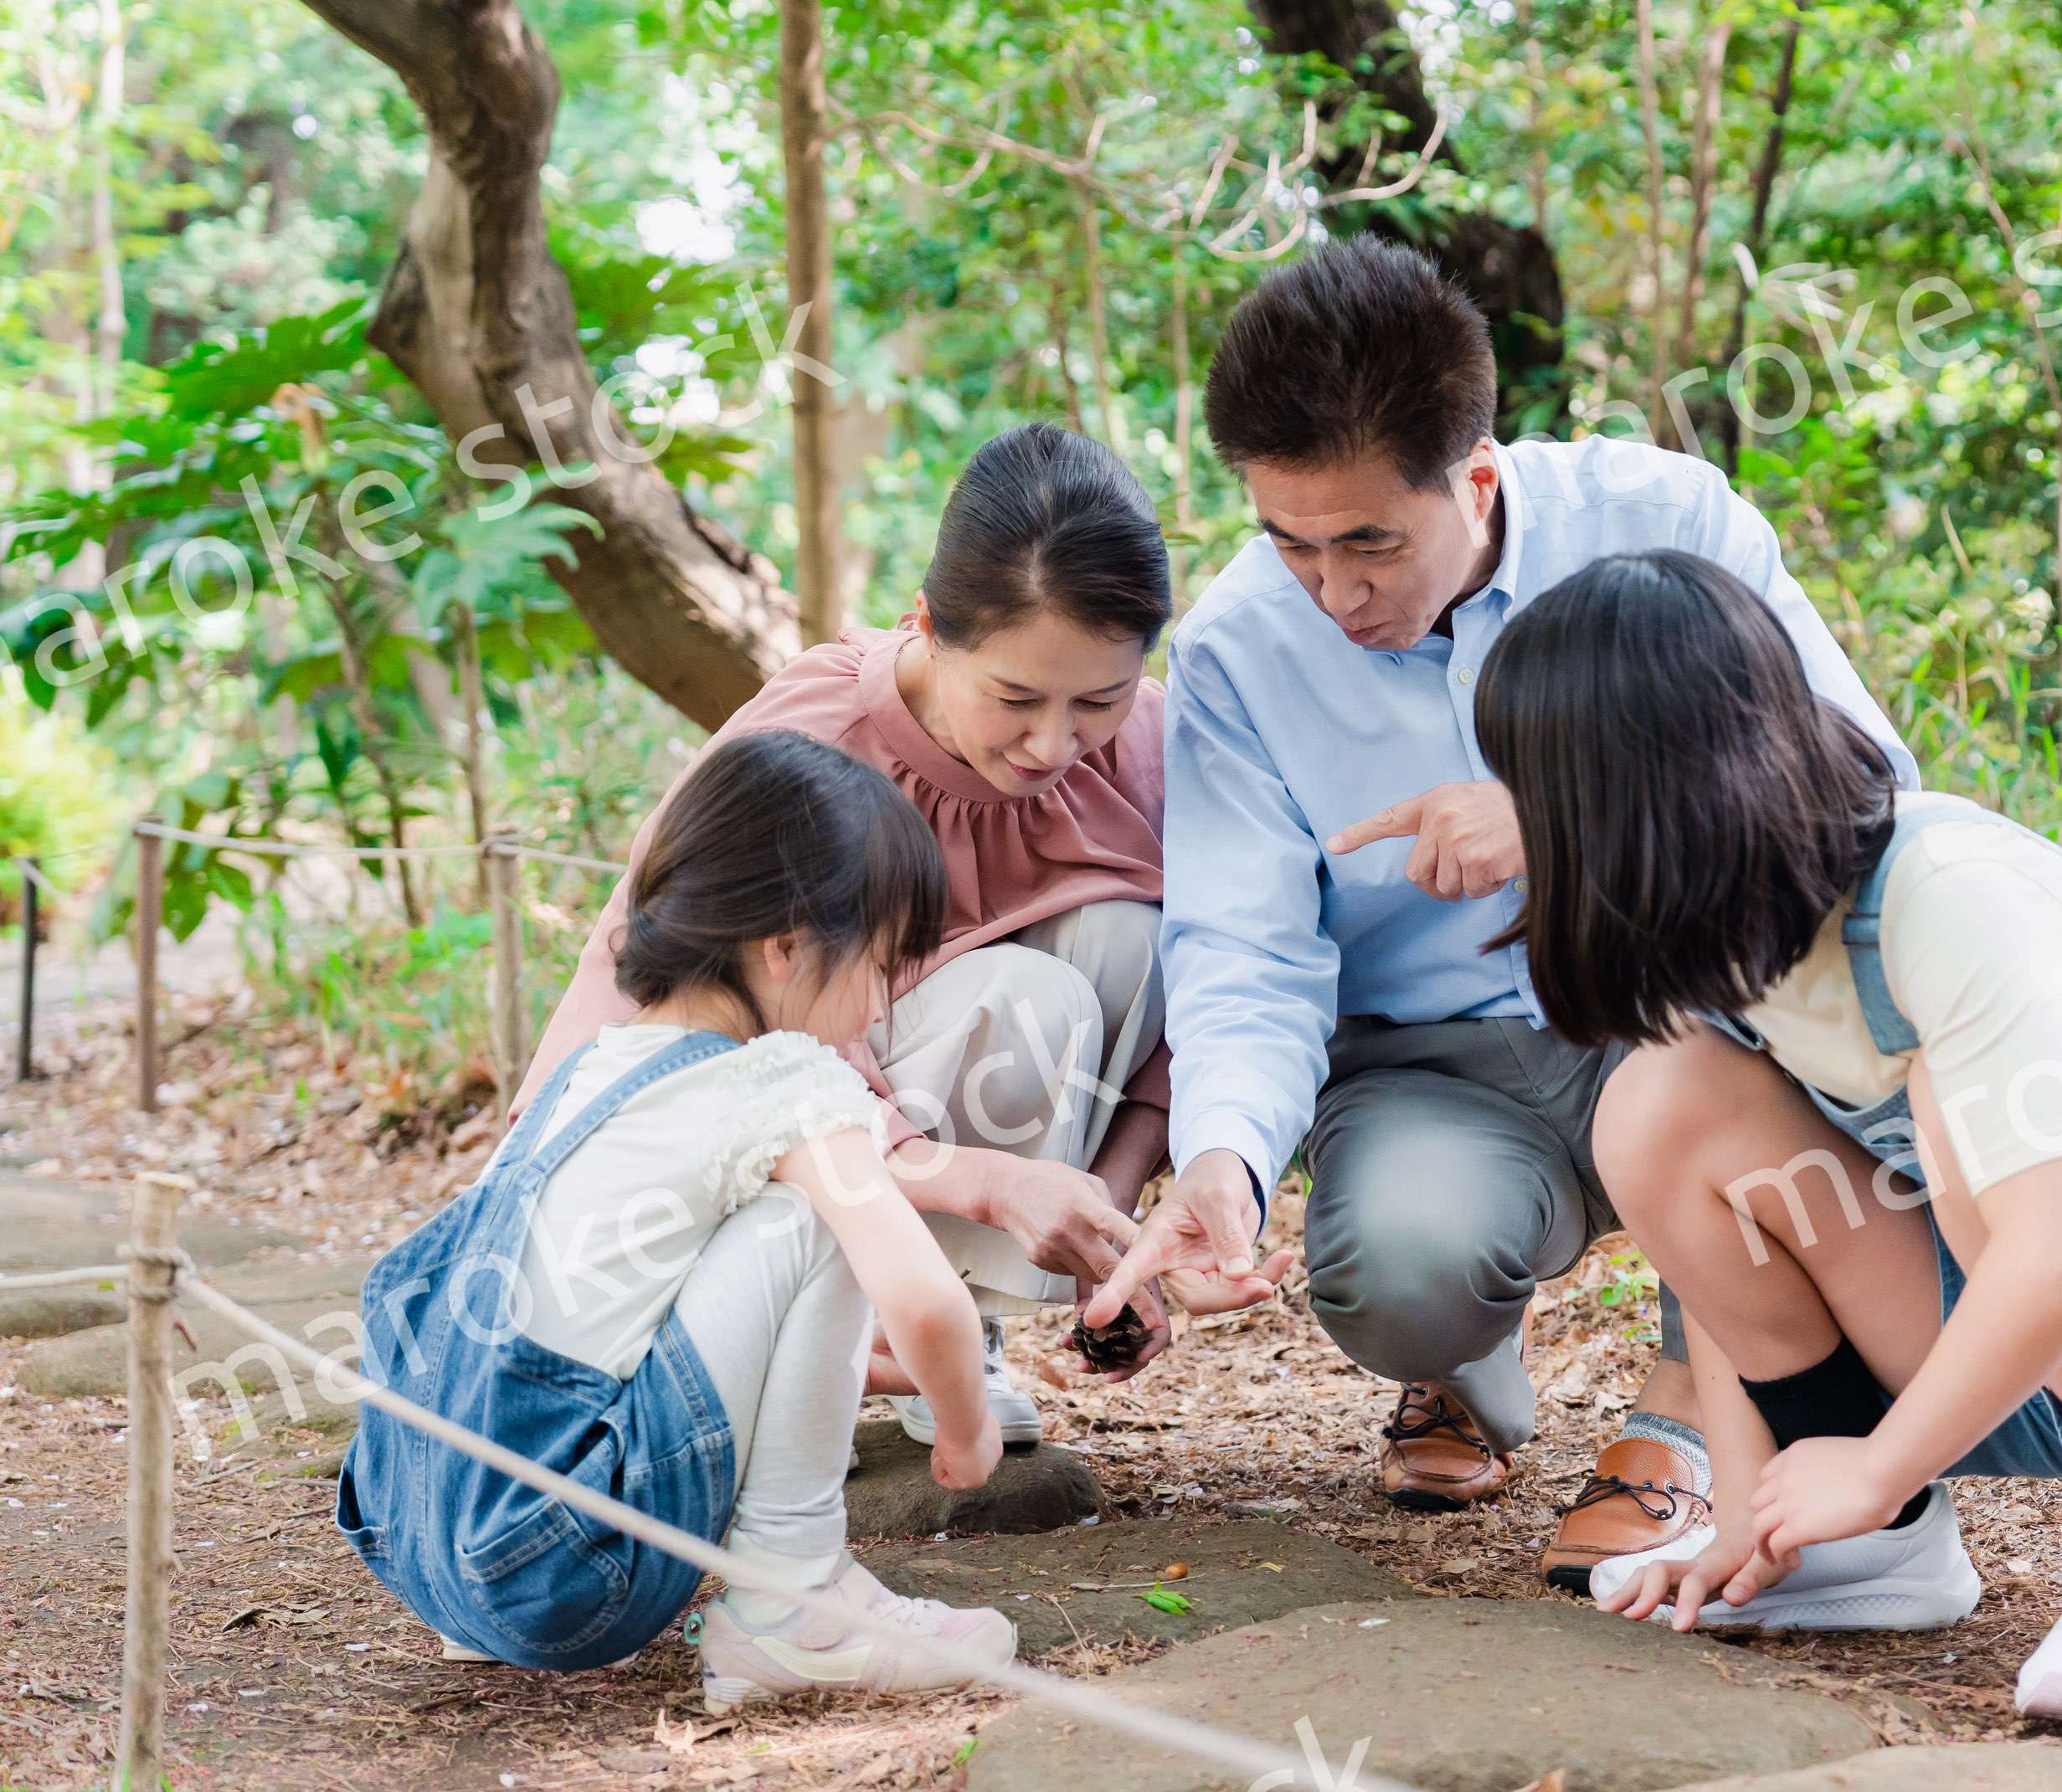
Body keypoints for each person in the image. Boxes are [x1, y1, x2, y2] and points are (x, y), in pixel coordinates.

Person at [1088, 238, 1913, 1594]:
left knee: (1776, 1055)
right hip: (1441, 1061)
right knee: (1396, 1274)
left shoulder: (1669, 522)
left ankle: (1685, 1409)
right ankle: (1465, 1358)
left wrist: (1561, 819)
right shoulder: (1240, 641)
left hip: (1700, 1026)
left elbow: (1868, 790)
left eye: (1370, 541)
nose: (1332, 590)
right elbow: (1244, 943)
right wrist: (1223, 1157)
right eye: (1290, 541)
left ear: (1474, 478)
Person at [1473, 551, 2062, 1727]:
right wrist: (1753, 1512)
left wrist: (1879, 1459)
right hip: (2001, 1331)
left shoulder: (1949, 893)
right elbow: (1721, 1272)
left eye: (1534, 794)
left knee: (1966, 1099)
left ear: (1628, 802)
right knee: (1657, 1102)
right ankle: (1877, 1551)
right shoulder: (1733, 945)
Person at [527, 423, 1197, 1450]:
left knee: (1128, 932)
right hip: (713, 1139)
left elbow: (1191, 998)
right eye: (1015, 697)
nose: (1055, 744)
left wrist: (1109, 1232)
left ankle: (952, 1330)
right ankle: (876, 1333)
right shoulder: (813, 748)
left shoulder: (1139, 744)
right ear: (929, 626)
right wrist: (986, 1181)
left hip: (900, 1118)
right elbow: (754, 1069)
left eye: (1097, 701)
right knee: (1029, 999)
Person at [339, 731, 1022, 1708]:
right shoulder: (791, 1086)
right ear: (785, 948)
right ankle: (797, 1609)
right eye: (879, 966)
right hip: (565, 1574)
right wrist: (966, 1431)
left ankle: (487, 1624)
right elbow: (925, 1304)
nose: (880, 1006)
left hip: (428, 1540)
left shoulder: (592, 1069)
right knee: (819, 1210)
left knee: (785, 1206)